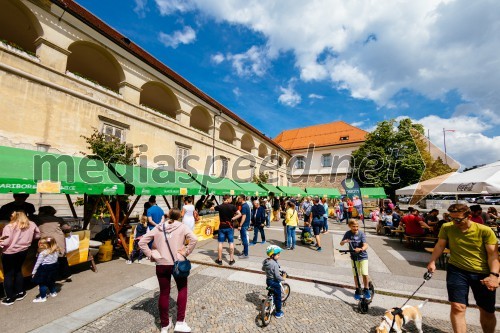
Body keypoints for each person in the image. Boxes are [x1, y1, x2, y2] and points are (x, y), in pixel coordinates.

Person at [427, 204, 498, 333]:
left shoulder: (485, 231)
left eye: (458, 219)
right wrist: (432, 261)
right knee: (457, 307)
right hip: (457, 270)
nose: (455, 222)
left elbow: (493, 255)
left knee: (486, 310)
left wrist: (494, 275)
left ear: (469, 216)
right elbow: (440, 245)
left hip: (482, 273)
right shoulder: (447, 227)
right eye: (452, 218)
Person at [139, 208, 197, 333]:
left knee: (164, 293)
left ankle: (165, 325)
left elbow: (142, 242)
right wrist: (186, 251)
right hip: (178, 262)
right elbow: (194, 239)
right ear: (179, 216)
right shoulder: (182, 227)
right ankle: (180, 322)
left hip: (162, 263)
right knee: (182, 289)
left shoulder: (158, 227)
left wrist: (151, 254)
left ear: (167, 215)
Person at [0, 211, 40, 305]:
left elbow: (5, 242)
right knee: (18, 270)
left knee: (8, 274)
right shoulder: (31, 224)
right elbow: (38, 235)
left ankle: (10, 298)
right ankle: (20, 292)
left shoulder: (9, 226)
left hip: (9, 252)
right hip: (23, 250)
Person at [35, 206, 72, 281]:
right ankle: (66, 274)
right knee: (61, 257)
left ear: (42, 212)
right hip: (58, 240)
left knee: (47, 258)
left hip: (45, 241)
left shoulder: (37, 219)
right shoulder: (58, 219)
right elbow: (67, 228)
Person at [340, 219, 371, 300]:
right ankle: (357, 289)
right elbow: (341, 243)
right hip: (353, 257)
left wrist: (361, 249)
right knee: (356, 275)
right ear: (349, 226)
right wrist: (344, 241)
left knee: (364, 273)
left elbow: (365, 245)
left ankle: (366, 289)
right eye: (353, 226)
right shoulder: (348, 233)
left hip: (363, 256)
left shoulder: (361, 234)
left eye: (357, 226)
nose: (355, 228)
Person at [210, 195, 241, 265]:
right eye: (229, 198)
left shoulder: (219, 206)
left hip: (222, 227)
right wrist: (233, 218)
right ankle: (231, 259)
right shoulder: (232, 206)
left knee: (220, 243)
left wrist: (212, 206)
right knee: (231, 243)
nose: (230, 199)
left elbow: (211, 208)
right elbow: (239, 214)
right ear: (227, 199)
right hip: (230, 227)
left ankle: (220, 260)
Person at [32, 237, 59, 303]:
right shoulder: (56, 250)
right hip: (53, 267)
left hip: (44, 269)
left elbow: (38, 263)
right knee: (51, 281)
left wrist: (34, 272)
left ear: (45, 245)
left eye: (41, 244)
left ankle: (43, 297)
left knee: (42, 284)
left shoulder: (43, 253)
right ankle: (53, 292)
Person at [262, 245, 285, 319]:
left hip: (268, 280)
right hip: (274, 282)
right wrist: (283, 278)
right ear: (272, 255)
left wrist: (269, 271)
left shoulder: (266, 261)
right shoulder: (274, 264)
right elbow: (277, 276)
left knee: (271, 292)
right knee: (278, 297)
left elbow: (263, 269)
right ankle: (278, 312)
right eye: (278, 255)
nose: (279, 256)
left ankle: (268, 301)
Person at [237, 194, 251, 259]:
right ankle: (245, 252)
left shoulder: (244, 206)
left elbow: (244, 216)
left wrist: (240, 225)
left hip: (244, 225)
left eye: (238, 198)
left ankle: (245, 254)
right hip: (245, 224)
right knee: (243, 239)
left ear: (242, 199)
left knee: (244, 239)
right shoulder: (245, 205)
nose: (237, 199)